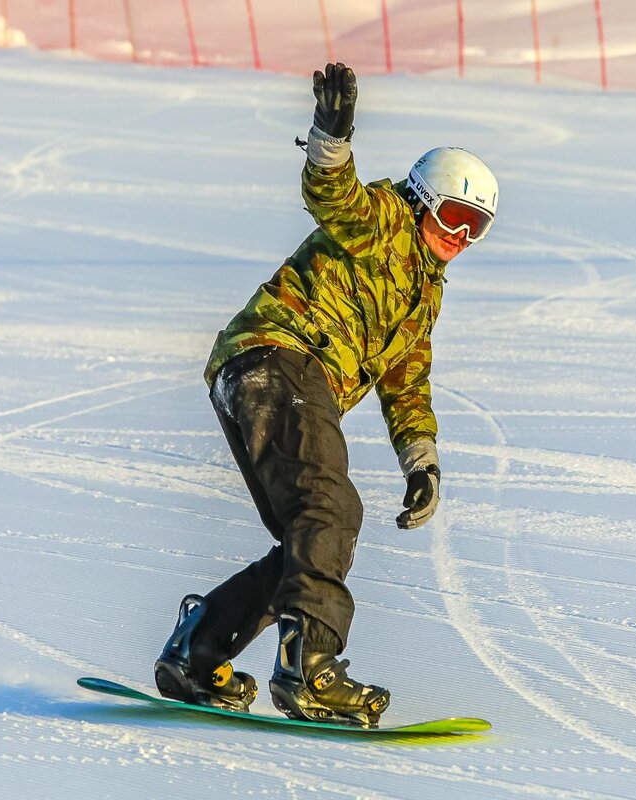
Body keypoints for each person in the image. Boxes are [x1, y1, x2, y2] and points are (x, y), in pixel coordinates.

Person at [153, 63, 499, 728]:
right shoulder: (386, 221)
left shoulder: (424, 292)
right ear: (425, 199)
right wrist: (330, 134)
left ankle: (200, 646)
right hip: (279, 357)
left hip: (258, 376)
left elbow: (408, 379)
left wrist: (421, 462)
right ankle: (311, 665)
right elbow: (333, 193)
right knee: (330, 507)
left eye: (474, 228)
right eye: (454, 216)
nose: (458, 237)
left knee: (312, 533)